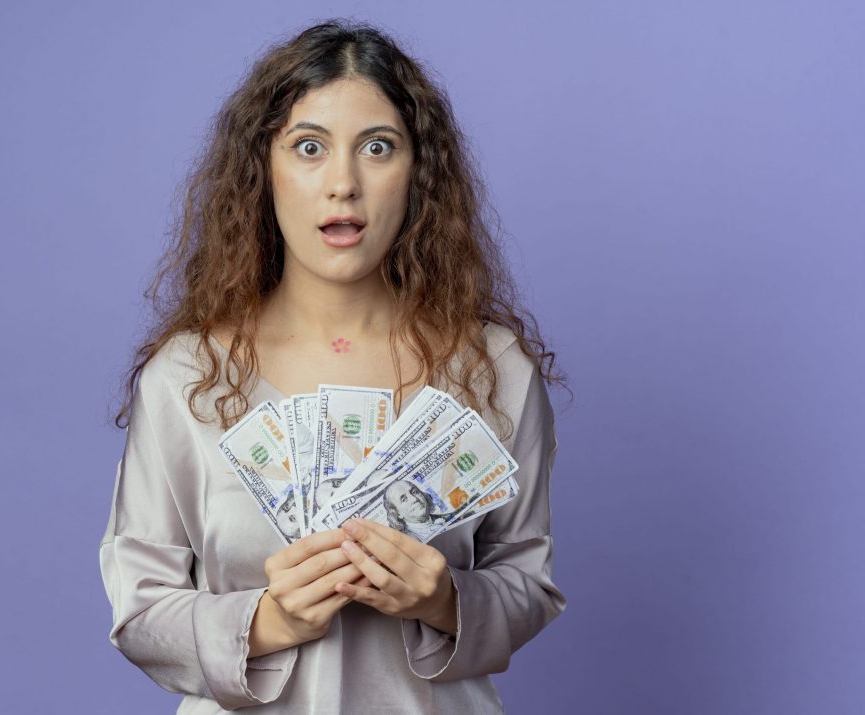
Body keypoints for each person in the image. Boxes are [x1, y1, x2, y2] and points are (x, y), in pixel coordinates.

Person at [99, 19, 568, 713]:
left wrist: (444, 599)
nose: (343, 183)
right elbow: (139, 613)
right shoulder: (188, 376)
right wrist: (268, 621)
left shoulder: (492, 369)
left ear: (419, 173)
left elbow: (529, 582)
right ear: (265, 170)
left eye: (378, 148)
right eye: (309, 147)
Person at [382, 480, 452, 541]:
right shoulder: (408, 541)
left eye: (414, 492)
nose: (414, 499)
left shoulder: (449, 517)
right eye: (404, 499)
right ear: (398, 514)